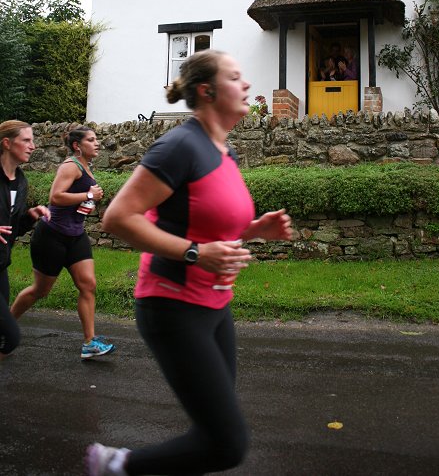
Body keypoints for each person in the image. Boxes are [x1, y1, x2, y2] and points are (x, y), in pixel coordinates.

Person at [85, 50, 293, 476]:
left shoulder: (224, 151)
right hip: (172, 306)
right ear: (207, 90)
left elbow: (207, 221)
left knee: (214, 429)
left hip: (214, 306)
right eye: (235, 77)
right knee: (227, 444)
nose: (246, 84)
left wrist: (254, 229)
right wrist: (195, 253)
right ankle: (115, 465)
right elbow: (118, 218)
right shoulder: (180, 145)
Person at [10, 126, 115, 360]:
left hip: (76, 236)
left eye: (97, 139)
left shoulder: (86, 166)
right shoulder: (70, 166)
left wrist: (89, 198)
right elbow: (55, 197)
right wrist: (88, 195)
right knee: (40, 291)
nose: (97, 143)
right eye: (91, 140)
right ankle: (6, 325)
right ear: (77, 146)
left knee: (88, 285)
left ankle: (89, 343)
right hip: (52, 236)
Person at [0, 120, 50, 361]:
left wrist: (30, 216)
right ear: (7, 143)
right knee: (10, 337)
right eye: (27, 140)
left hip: (1, 266)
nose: (33, 146)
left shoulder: (20, 181)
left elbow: (12, 229)